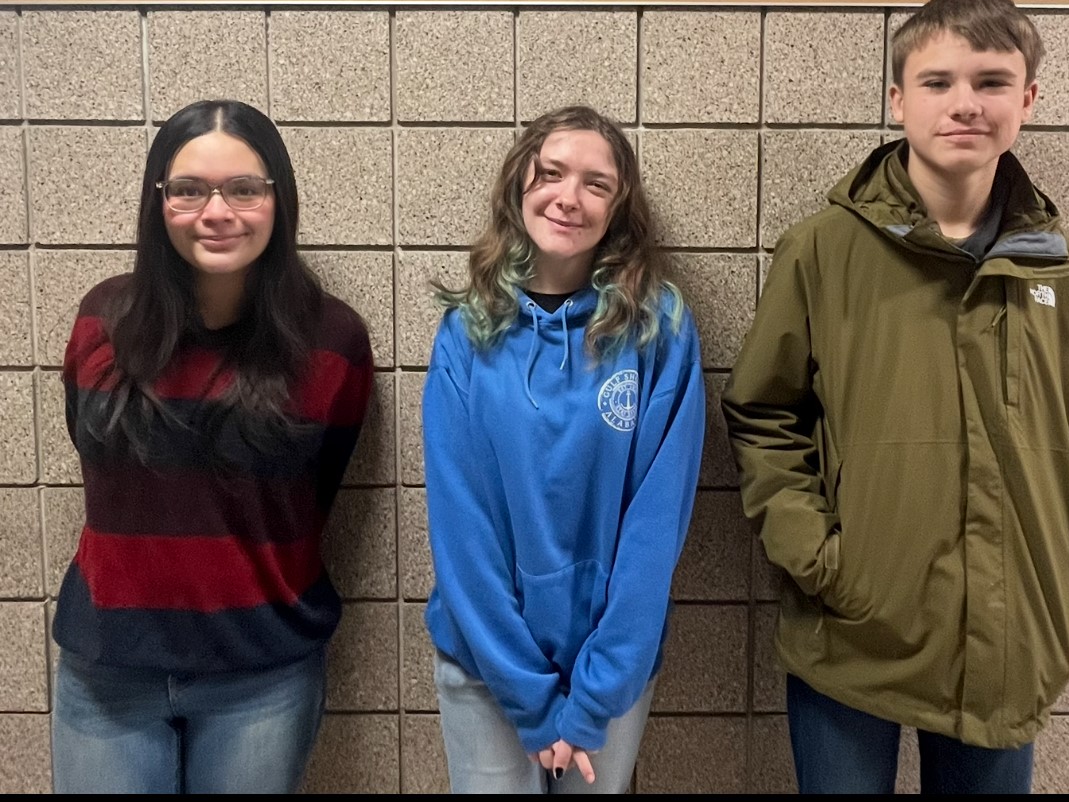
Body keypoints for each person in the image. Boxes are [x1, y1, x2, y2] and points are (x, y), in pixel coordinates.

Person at [722, 0, 1069, 794]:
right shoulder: (823, 250)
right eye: (938, 82)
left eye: (992, 81)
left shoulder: (1065, 267)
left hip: (1012, 641)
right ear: (898, 99)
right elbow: (765, 413)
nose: (965, 104)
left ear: (1028, 99)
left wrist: (1067, 570)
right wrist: (823, 562)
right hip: (854, 632)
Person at [51, 100, 374, 794]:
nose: (216, 211)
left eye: (244, 189)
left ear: (277, 200)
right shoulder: (100, 321)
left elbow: (315, 494)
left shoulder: (333, 342)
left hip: (262, 674)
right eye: (189, 190)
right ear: (158, 201)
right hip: (108, 667)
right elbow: (92, 448)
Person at [422, 105, 705, 794]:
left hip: (607, 675)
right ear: (520, 185)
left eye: (596, 184)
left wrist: (593, 696)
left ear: (620, 209)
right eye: (551, 173)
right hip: (486, 667)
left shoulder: (657, 329)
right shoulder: (467, 335)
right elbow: (463, 529)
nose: (569, 197)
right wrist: (529, 696)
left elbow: (655, 524)